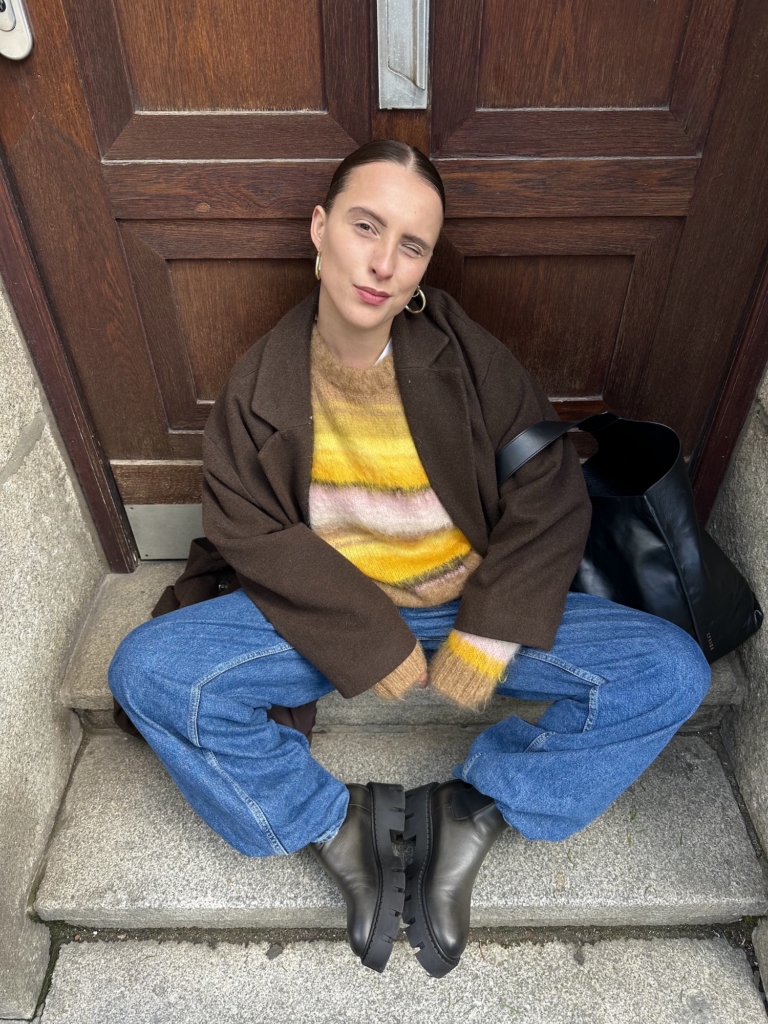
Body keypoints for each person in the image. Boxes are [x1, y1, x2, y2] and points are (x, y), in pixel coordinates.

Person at [108, 140, 711, 979]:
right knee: (146, 671)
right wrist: (370, 637)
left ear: (426, 263)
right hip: (332, 619)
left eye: (412, 244)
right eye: (365, 227)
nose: (383, 263)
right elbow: (248, 529)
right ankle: (334, 825)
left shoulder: (461, 354)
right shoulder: (260, 386)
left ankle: (474, 807)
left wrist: (491, 632)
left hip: (472, 601)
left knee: (674, 672)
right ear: (320, 230)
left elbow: (546, 481)